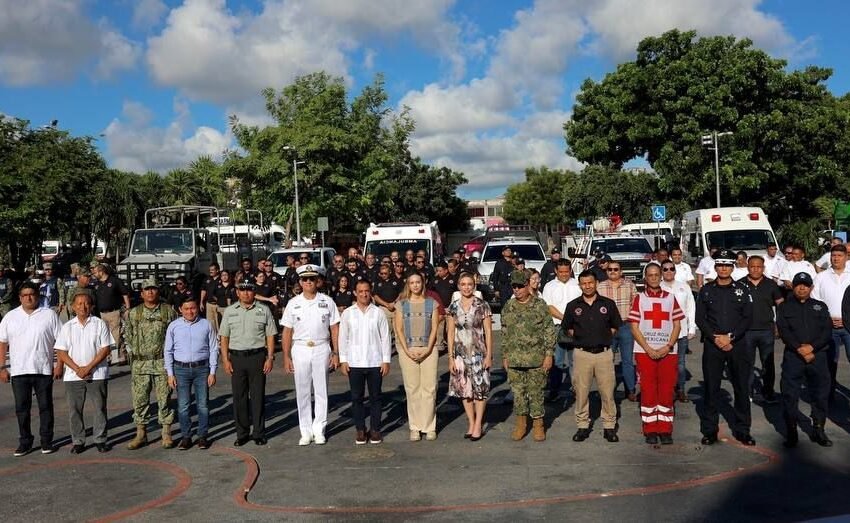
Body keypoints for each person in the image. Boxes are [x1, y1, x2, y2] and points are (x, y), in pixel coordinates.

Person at [695, 249, 754, 446]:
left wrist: (731, 337)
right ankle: (710, 430)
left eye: (727, 265)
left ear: (732, 267)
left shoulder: (742, 289)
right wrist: (715, 337)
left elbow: (747, 317)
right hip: (713, 345)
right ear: (715, 267)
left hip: (736, 345)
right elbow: (700, 318)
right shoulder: (706, 290)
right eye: (720, 265)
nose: (723, 269)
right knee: (712, 389)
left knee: (741, 388)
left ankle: (743, 430)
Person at [0, 281, 63, 456]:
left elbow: (61, 342)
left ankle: (46, 441)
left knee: (45, 407)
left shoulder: (49, 315)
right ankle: (25, 441)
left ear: (37, 295)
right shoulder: (10, 317)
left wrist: (59, 365)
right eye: (25, 295)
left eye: (32, 294)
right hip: (19, 371)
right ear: (20, 298)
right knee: (21, 408)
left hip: (43, 368)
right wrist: (2, 368)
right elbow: (2, 343)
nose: (29, 297)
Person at [281, 264, 340, 445]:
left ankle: (319, 429)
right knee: (303, 391)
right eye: (305, 279)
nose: (308, 282)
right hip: (300, 349)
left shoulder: (327, 301)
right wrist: (285, 356)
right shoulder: (293, 303)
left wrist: (336, 352)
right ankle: (305, 431)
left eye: (312, 279)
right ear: (300, 281)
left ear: (318, 281)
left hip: (322, 347)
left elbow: (334, 328)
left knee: (321, 390)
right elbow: (287, 332)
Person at [562, 270, 622, 443]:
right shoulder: (573, 305)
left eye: (590, 283)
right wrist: (585, 338)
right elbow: (568, 328)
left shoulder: (608, 304)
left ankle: (609, 427)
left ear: (596, 283)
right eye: (584, 283)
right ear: (579, 285)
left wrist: (601, 337)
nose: (587, 286)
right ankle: (582, 425)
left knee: (607, 392)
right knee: (581, 392)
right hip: (582, 354)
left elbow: (615, 326)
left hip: (603, 354)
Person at [628, 264, 684, 445]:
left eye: (656, 275)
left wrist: (668, 346)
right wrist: (648, 348)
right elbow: (634, 327)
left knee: (667, 390)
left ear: (661, 276)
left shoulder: (670, 298)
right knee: (648, 389)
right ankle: (650, 429)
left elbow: (677, 325)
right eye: (650, 275)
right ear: (645, 277)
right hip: (645, 352)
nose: (653, 278)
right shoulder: (639, 299)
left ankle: (666, 430)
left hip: (668, 351)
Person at [777, 272, 833, 447]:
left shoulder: (820, 306)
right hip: (794, 356)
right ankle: (791, 431)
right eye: (799, 285)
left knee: (820, 394)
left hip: (818, 356)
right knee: (789, 395)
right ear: (793, 287)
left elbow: (826, 331)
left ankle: (818, 429)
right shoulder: (785, 307)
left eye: (806, 285)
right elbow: (784, 331)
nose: (802, 288)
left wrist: (812, 348)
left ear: (811, 288)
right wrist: (800, 349)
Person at [219, 278, 278, 446]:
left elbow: (270, 335)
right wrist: (225, 359)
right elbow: (224, 336)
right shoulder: (230, 311)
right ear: (237, 292)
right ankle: (242, 433)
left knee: (258, 396)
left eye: (249, 290)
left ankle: (259, 433)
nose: (246, 293)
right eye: (242, 290)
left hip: (257, 357)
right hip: (236, 358)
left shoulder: (263, 310)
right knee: (239, 397)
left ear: (254, 292)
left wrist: (270, 357)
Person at [55, 290, 114, 453]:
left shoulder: (99, 323)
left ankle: (100, 439)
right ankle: (78, 440)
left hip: (97, 373)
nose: (83, 306)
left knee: (99, 407)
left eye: (86, 303)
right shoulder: (67, 326)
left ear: (92, 306)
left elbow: (105, 348)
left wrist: (88, 368)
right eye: (79, 303)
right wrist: (77, 369)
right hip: (73, 376)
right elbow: (61, 352)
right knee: (75, 410)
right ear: (73, 307)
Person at [501, 270, 555, 442]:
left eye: (520, 286)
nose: (516, 290)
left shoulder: (539, 305)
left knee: (536, 393)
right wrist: (505, 356)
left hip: (536, 359)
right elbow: (504, 333)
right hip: (515, 359)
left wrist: (548, 355)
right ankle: (521, 424)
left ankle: (538, 425)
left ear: (527, 285)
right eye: (514, 287)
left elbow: (549, 330)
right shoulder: (508, 306)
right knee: (518, 394)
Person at [124, 278, 178, 450]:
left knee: (164, 398)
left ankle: (166, 432)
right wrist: (133, 355)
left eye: (153, 289)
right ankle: (141, 433)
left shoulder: (168, 311)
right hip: (141, 363)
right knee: (139, 400)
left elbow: (175, 335)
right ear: (142, 293)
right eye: (147, 289)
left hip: (162, 362)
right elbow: (128, 336)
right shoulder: (134, 313)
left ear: (158, 291)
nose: (150, 292)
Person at [338, 280, 391, 445]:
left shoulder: (378, 313)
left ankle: (375, 429)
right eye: (360, 291)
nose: (364, 294)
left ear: (371, 292)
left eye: (366, 291)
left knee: (376, 397)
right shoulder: (348, 313)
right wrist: (343, 360)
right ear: (355, 292)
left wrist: (386, 360)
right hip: (354, 362)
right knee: (357, 398)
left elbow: (385, 337)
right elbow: (342, 338)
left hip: (375, 361)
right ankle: (360, 430)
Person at [165, 297, 218, 450]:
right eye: (186, 309)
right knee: (183, 406)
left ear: (197, 308)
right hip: (180, 370)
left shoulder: (206, 324)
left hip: (202, 369)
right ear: (180, 309)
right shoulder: (173, 326)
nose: (190, 311)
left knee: (203, 405)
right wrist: (170, 373)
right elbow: (168, 350)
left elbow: (214, 348)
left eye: (193, 308)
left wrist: (212, 371)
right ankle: (186, 437)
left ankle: (202, 436)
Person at [394, 272, 440, 441]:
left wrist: (427, 349)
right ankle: (415, 427)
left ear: (423, 283)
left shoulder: (432, 304)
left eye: (418, 282)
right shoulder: (401, 304)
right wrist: (407, 350)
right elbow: (398, 329)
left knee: (429, 389)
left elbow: (435, 329)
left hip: (428, 349)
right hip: (408, 350)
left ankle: (429, 426)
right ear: (408, 284)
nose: (415, 285)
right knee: (412, 389)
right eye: (412, 282)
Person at [447, 273, 493, 441]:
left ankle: (479, 423)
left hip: (478, 353)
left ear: (474, 286)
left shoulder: (482, 305)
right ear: (458, 286)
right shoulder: (453, 306)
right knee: (465, 390)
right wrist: (451, 358)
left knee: (480, 391)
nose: (466, 287)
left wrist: (489, 355)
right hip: (460, 353)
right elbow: (451, 332)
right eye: (463, 284)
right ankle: (471, 422)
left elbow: (488, 331)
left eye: (469, 284)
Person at [742, 255, 784, 403]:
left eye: (758, 266)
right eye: (752, 266)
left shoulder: (771, 284)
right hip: (746, 331)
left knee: (768, 363)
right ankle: (747, 392)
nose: (755, 269)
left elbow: (781, 305)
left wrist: (779, 325)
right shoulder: (740, 284)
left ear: (763, 268)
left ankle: (768, 392)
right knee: (747, 364)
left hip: (767, 330)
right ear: (748, 267)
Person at [813, 244, 850, 402]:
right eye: (833, 256)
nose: (836, 258)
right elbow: (815, 301)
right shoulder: (821, 277)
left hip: (849, 327)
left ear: (846, 257)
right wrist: (827, 318)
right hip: (828, 327)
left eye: (839, 256)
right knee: (829, 362)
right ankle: (829, 394)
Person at [598, 260, 639, 401]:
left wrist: (634, 323)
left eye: (616, 269)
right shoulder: (600, 287)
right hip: (607, 328)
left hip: (625, 326)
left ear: (621, 271)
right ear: (606, 271)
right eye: (610, 269)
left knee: (627, 360)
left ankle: (630, 390)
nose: (613, 272)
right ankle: (607, 390)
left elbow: (636, 305)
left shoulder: (629, 285)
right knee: (607, 361)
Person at [541, 259, 581, 402]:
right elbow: (548, 306)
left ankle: (577, 389)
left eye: (566, 271)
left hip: (576, 327)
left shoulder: (577, 284)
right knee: (557, 360)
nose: (564, 274)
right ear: (556, 271)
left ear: (570, 270)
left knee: (574, 360)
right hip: (556, 326)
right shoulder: (549, 286)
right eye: (561, 272)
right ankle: (554, 389)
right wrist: (565, 319)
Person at [660, 260, 696, 402]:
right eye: (665, 269)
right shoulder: (658, 288)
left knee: (680, 363)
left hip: (681, 331)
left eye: (671, 269)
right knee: (664, 362)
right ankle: (666, 389)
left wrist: (692, 326)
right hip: (663, 333)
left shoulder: (684, 287)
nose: (669, 271)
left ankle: (680, 389)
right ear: (661, 272)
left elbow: (690, 307)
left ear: (675, 271)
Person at [92, 263, 130, 364]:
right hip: (101, 314)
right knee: (104, 336)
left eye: (95, 272)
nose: (94, 274)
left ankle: (121, 356)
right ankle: (107, 357)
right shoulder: (96, 284)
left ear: (101, 271)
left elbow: (124, 294)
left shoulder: (114, 281)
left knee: (116, 336)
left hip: (114, 312)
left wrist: (128, 308)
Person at [200, 263, 221, 332]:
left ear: (217, 270)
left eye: (212, 270)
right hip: (209, 304)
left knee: (219, 324)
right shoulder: (207, 279)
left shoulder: (221, 279)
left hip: (218, 305)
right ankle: (213, 340)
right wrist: (201, 302)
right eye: (210, 270)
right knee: (210, 324)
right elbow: (203, 290)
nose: (210, 271)